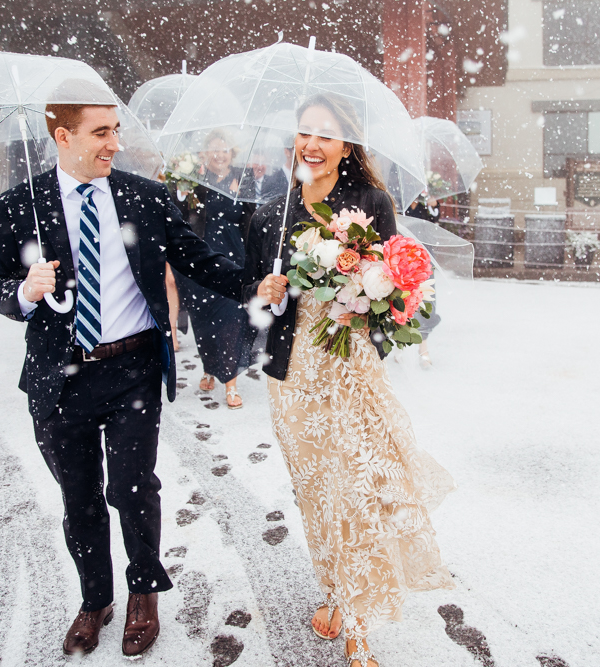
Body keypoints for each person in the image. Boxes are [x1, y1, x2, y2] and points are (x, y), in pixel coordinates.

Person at [0, 96, 243, 658]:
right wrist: (24, 292)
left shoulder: (143, 196)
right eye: (101, 132)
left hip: (133, 370)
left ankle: (144, 591)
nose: (114, 143)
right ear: (63, 137)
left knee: (132, 488)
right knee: (79, 499)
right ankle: (95, 598)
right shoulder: (19, 206)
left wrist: (252, 288)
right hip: (60, 378)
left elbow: (197, 257)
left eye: (116, 130)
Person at [245, 94, 455, 667]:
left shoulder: (370, 201)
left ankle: (358, 619)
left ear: (346, 143)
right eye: (304, 132)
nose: (311, 144)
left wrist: (363, 293)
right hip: (293, 377)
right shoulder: (272, 214)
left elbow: (399, 287)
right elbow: (257, 308)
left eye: (325, 134)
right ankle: (335, 592)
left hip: (349, 366)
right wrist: (267, 295)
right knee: (315, 492)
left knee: (354, 489)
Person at [173, 129, 257, 409]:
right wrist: (181, 191)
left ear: (232, 153)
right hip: (202, 262)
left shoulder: (243, 180)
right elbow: (181, 217)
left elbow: (252, 221)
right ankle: (209, 367)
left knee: (231, 321)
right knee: (204, 321)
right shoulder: (194, 182)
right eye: (213, 149)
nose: (219, 154)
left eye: (224, 149)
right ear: (204, 154)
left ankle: (230, 382)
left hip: (234, 261)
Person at [403, 196, 443, 368]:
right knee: (404, 301)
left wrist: (433, 206)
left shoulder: (424, 205)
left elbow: (434, 220)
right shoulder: (396, 204)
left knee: (426, 300)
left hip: (425, 258)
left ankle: (423, 348)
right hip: (402, 259)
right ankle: (400, 345)